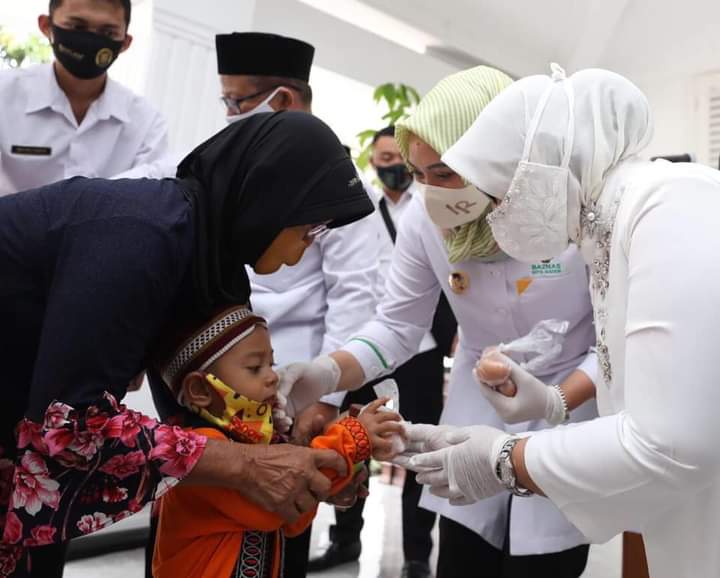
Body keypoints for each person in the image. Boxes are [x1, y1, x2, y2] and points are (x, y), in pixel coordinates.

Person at [0, 111, 373, 578]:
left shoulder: (210, 268)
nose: (306, 248)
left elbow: (206, 411)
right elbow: (69, 423)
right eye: (309, 229)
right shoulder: (143, 235)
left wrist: (317, 463)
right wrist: (244, 465)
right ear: (270, 199)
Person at [277, 66, 599, 578]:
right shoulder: (424, 221)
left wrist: (560, 400)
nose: (430, 191)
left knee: (545, 556)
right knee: (463, 551)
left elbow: (612, 343)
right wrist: (327, 374)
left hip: (570, 398)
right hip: (479, 401)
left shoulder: (575, 213)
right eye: (420, 174)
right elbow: (398, 326)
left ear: (496, 156)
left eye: (444, 173)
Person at [403, 63, 720, 578]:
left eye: (501, 195)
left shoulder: (669, 202)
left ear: (545, 170)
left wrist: (507, 458)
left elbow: (672, 442)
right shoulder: (604, 230)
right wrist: (550, 403)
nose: (497, 216)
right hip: (675, 505)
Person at [215, 31, 382, 578]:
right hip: (218, 384)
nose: (229, 114)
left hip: (291, 383)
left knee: (279, 527)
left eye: (236, 102)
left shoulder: (332, 177)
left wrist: (325, 400)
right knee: (206, 526)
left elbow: (355, 297)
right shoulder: (238, 164)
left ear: (281, 101)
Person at [151, 305, 402, 578]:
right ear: (200, 390)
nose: (272, 376)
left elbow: (293, 517)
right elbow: (270, 511)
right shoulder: (203, 449)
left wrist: (338, 473)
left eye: (271, 363)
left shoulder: (257, 442)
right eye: (255, 367)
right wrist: (351, 438)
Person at [308, 126, 456, 578]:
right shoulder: (359, 209)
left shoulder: (432, 205)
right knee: (353, 438)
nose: (389, 166)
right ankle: (345, 538)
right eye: (382, 158)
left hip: (422, 348)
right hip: (365, 345)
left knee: (417, 446)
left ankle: (415, 551)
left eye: (396, 157)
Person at [0, 0, 171, 197]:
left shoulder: (147, 124)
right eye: (77, 26)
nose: (90, 40)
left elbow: (147, 201)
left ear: (124, 43)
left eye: (108, 33)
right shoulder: (5, 94)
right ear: (46, 26)